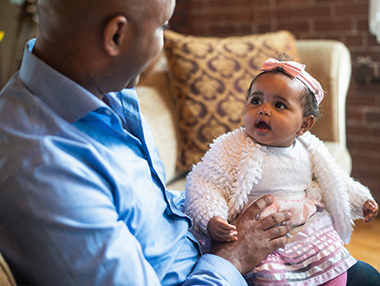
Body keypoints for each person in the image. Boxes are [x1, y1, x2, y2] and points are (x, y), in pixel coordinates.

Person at [0, 0, 294, 285]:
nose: (162, 43)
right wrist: (235, 256)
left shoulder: (105, 88)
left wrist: (220, 210)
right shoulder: (44, 169)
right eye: (162, 26)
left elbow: (151, 209)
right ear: (116, 35)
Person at [184, 56, 380, 285]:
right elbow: (205, 183)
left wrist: (361, 200)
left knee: (335, 270)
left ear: (304, 125)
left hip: (308, 234)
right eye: (256, 101)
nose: (263, 110)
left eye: (279, 105)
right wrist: (212, 218)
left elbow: (334, 181)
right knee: (271, 278)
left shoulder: (309, 150)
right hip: (260, 244)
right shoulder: (233, 147)